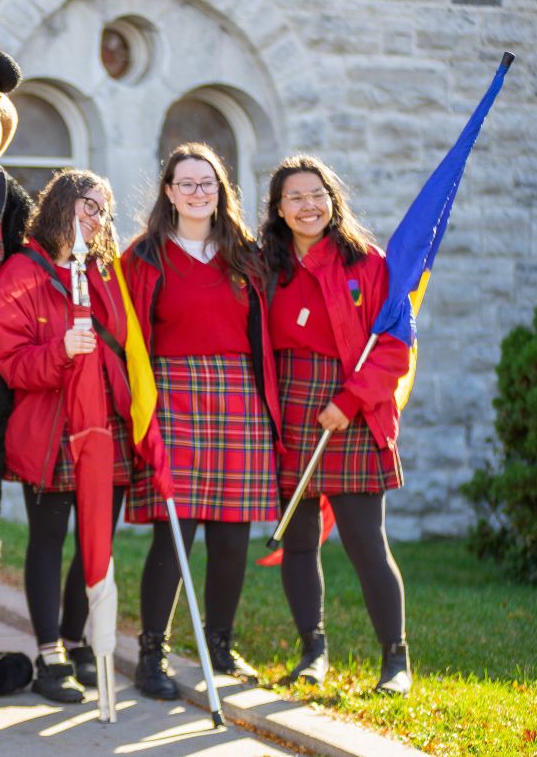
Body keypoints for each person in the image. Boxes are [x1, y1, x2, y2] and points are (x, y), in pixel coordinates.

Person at [122, 142, 280, 698]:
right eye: (185, 183)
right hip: (172, 397)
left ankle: (218, 644)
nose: (197, 192)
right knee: (175, 531)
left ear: (221, 190)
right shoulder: (142, 257)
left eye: (207, 183)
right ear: (168, 192)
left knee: (233, 535)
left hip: (239, 397)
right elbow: (127, 337)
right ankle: (152, 655)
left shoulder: (247, 254)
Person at [258, 155, 412, 695]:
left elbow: (395, 347)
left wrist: (349, 401)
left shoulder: (368, 264)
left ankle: (396, 660)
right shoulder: (264, 268)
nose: (308, 206)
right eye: (295, 198)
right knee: (299, 543)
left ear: (333, 199)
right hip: (290, 414)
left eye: (316, 194)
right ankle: (312, 653)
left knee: (366, 544)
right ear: (278, 209)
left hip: (352, 414)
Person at [0, 169, 136, 702]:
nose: (93, 217)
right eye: (84, 205)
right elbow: (11, 364)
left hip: (106, 426)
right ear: (58, 207)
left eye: (101, 209)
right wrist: (60, 352)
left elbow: (127, 348)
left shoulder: (106, 273)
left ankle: (77, 642)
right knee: (49, 540)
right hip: (50, 428)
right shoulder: (21, 274)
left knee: (97, 538)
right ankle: (50, 653)